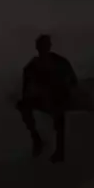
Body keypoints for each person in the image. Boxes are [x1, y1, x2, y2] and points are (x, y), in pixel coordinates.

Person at [16, 34, 77, 163]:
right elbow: (26, 86)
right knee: (23, 106)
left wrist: (67, 91)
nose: (43, 48)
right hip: (43, 98)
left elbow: (72, 80)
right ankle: (37, 139)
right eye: (41, 46)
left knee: (59, 117)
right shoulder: (33, 65)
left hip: (57, 97)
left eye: (45, 45)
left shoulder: (59, 61)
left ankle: (59, 151)